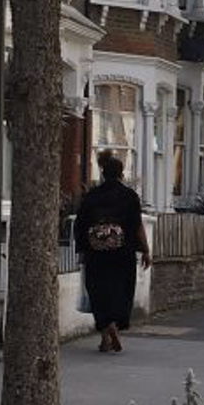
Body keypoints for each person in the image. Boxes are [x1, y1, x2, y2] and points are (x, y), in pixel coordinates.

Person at [74, 150, 150, 353]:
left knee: (98, 291)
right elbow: (137, 226)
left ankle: (105, 333)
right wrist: (145, 250)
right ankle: (114, 326)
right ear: (121, 173)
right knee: (121, 291)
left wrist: (81, 249)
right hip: (122, 253)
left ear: (102, 172)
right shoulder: (129, 196)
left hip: (96, 254)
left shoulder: (91, 196)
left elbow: (80, 225)